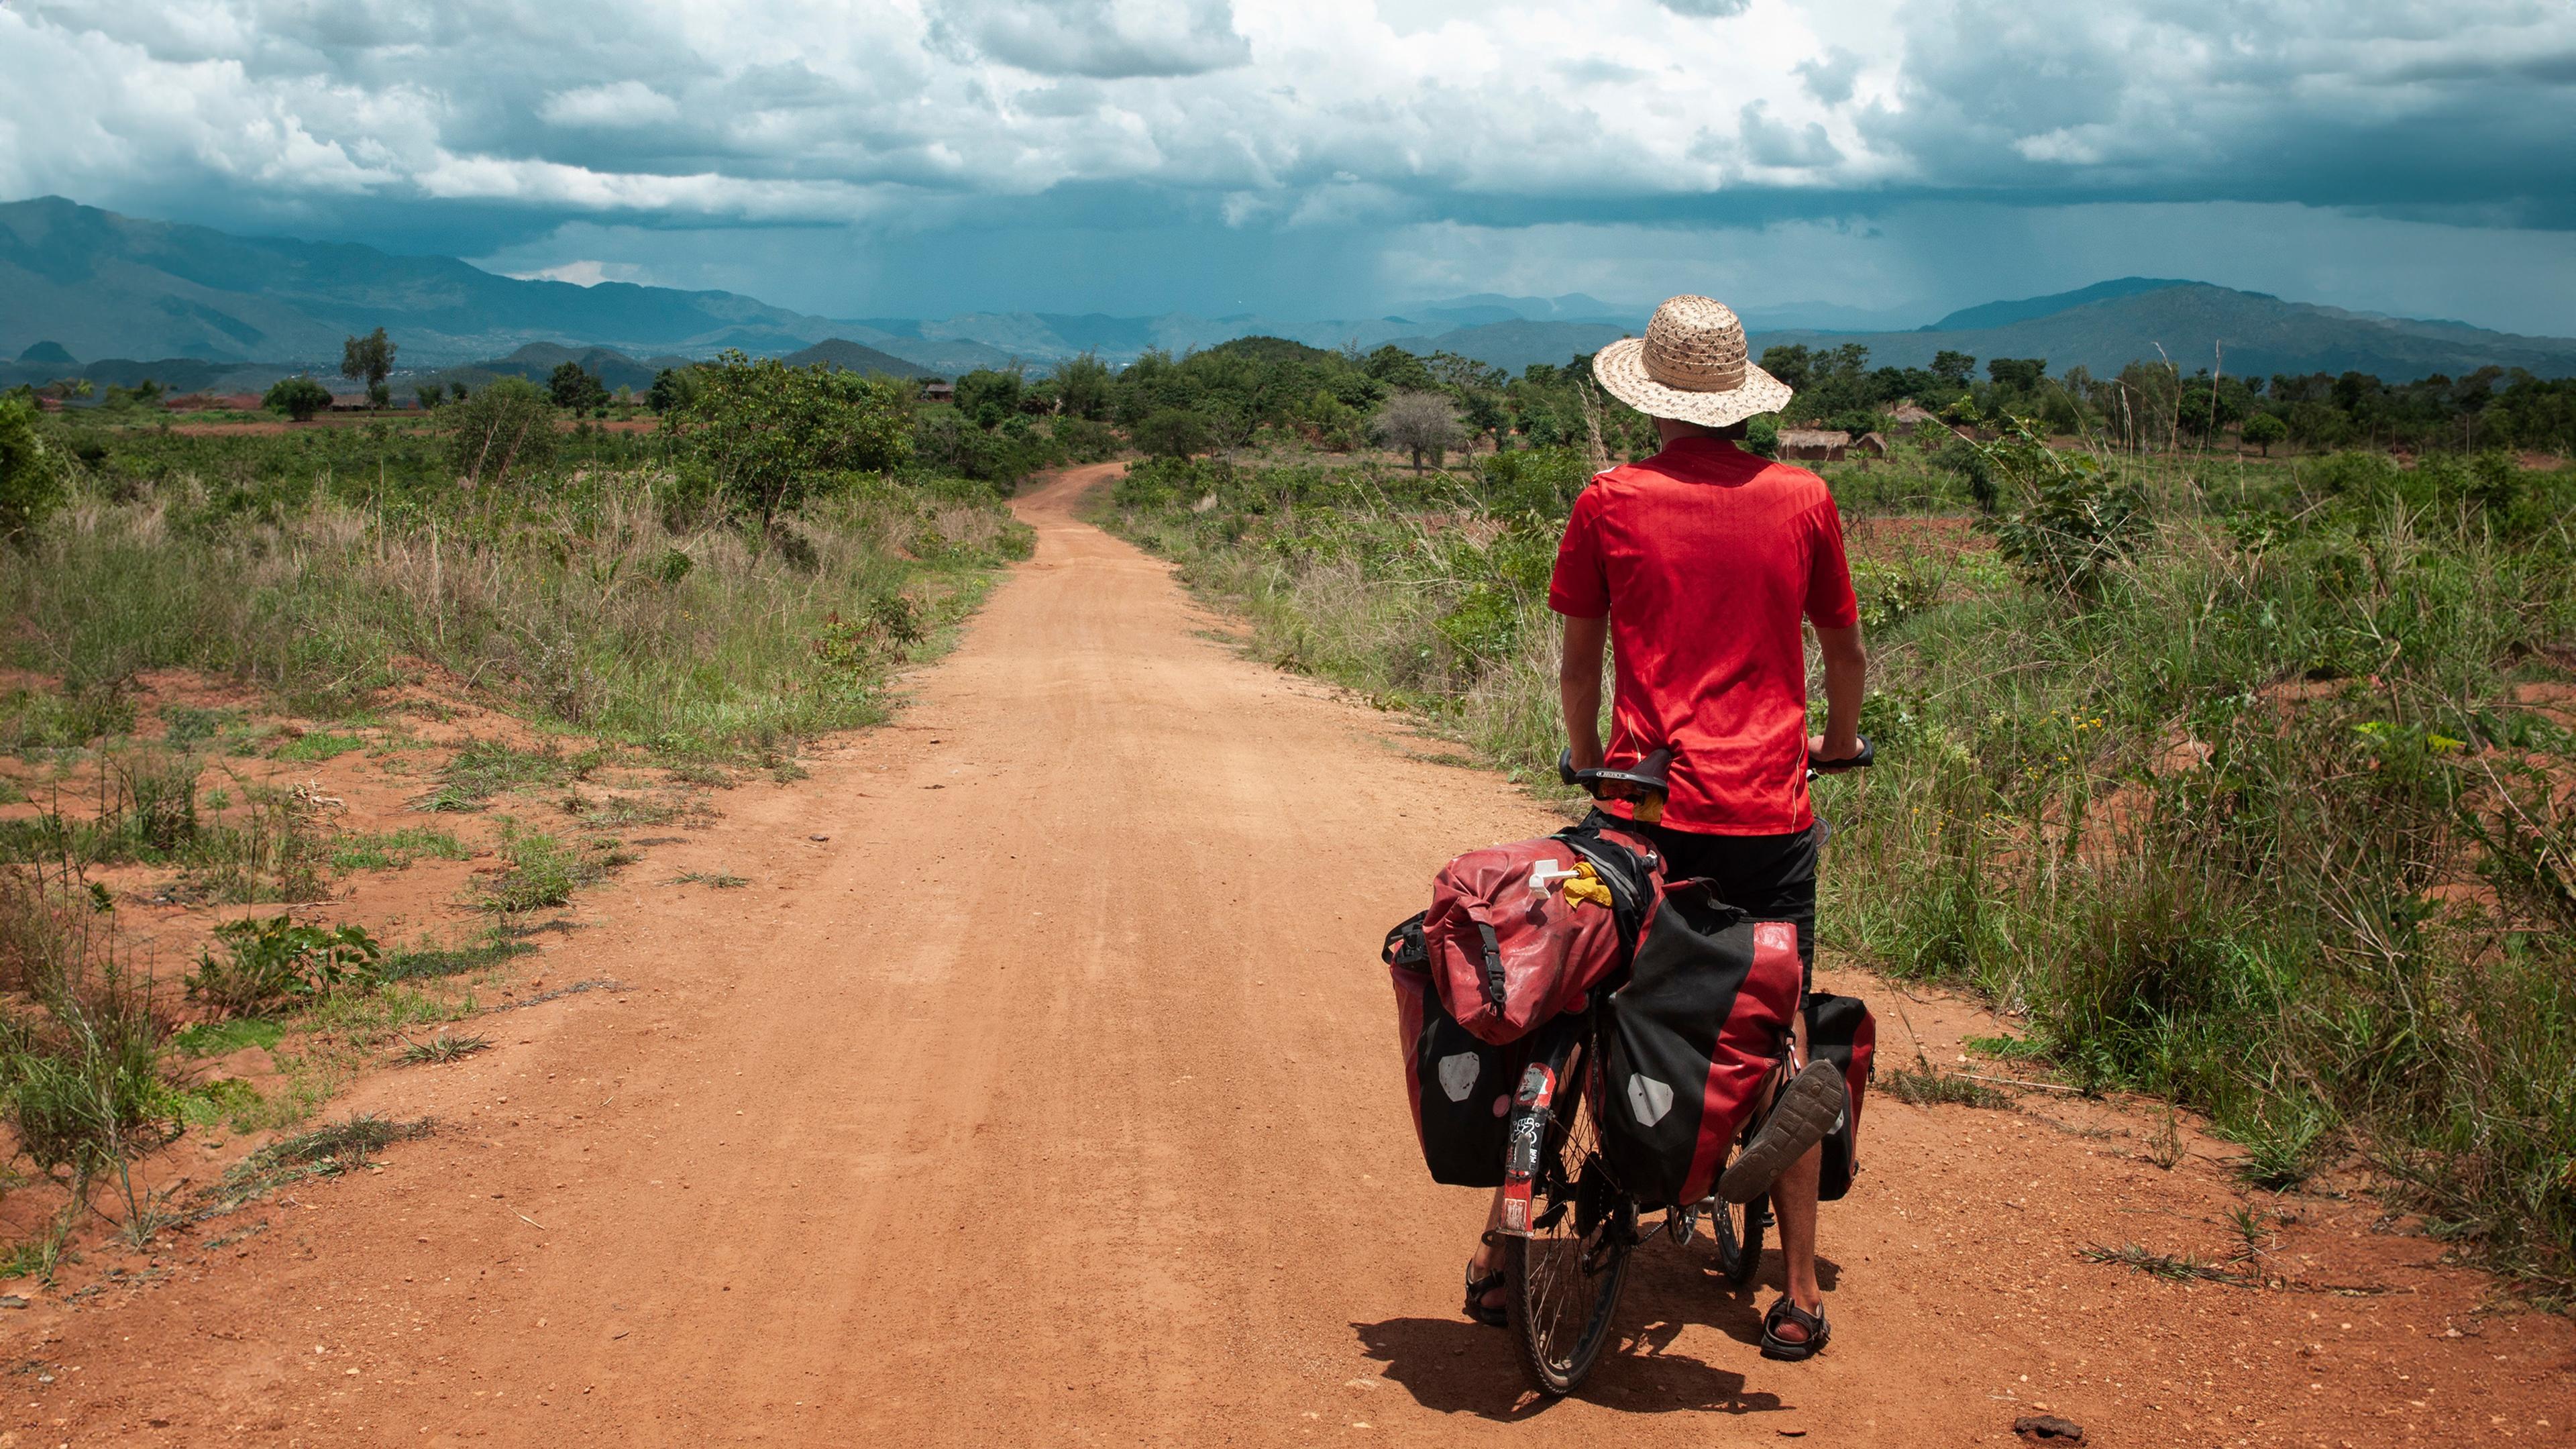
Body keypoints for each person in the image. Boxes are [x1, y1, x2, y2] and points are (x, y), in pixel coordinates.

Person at [1462, 294, 1866, 1361]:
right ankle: (1796, 1290)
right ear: (1744, 402)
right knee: (1776, 1023)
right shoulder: (1804, 498)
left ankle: (1498, 1247)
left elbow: (1580, 660)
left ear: (1649, 401)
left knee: (1591, 987)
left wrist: (1584, 752)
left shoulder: (1612, 499)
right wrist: (1836, 743)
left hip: (1642, 806)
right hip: (1769, 813)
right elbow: (1845, 654)